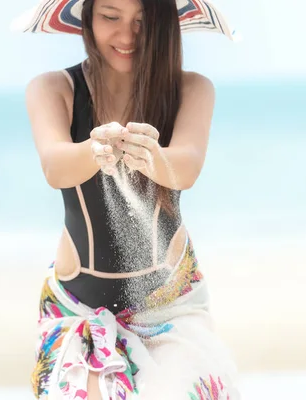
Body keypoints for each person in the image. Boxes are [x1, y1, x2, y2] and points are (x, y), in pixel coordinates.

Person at [16, 0, 240, 398]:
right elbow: (55, 166)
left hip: (169, 304)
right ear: (87, 18)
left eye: (143, 20)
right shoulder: (53, 89)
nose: (126, 35)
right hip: (76, 306)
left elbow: (186, 166)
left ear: (165, 24)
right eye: (110, 16)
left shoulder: (192, 89)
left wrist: (154, 158)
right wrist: (95, 150)